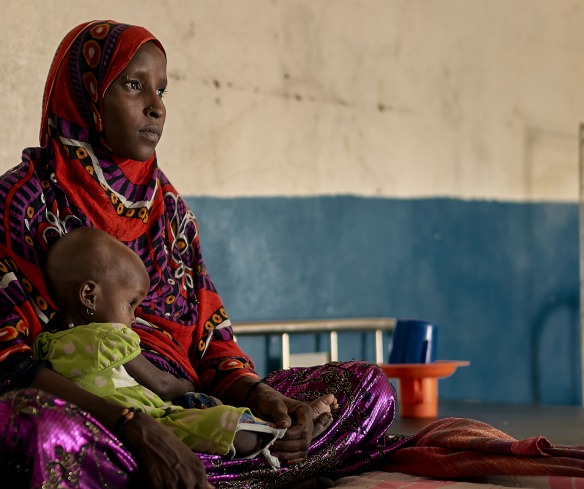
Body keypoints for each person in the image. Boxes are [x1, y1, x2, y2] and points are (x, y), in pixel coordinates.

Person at [0, 20, 402, 489]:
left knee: (370, 388)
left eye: (162, 91)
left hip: (194, 409)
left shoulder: (170, 213)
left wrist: (265, 397)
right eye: (134, 85)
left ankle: (240, 455)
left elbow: (212, 345)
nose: (156, 108)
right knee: (32, 429)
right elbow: (11, 362)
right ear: (87, 93)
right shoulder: (22, 205)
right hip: (100, 413)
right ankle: (244, 466)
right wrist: (133, 424)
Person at [35, 226, 337, 466]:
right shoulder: (110, 338)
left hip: (97, 438)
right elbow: (162, 385)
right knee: (229, 427)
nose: (135, 315)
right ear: (89, 295)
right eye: (131, 303)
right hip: (154, 421)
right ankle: (281, 440)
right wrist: (186, 385)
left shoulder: (46, 344)